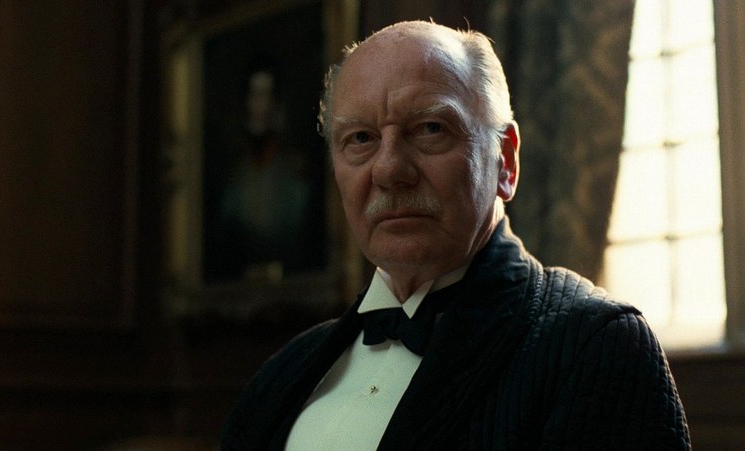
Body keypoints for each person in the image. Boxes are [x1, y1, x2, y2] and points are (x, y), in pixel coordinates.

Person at [221, 20, 690, 450]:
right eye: (360, 139)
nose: (389, 170)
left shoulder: (598, 348)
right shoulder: (280, 378)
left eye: (430, 128)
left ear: (505, 162)